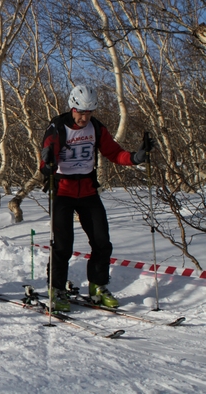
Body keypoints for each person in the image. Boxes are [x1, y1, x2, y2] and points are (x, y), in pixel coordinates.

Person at [40, 84, 154, 311]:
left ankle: (98, 287)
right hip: (63, 191)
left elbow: (113, 152)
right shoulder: (58, 127)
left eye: (89, 112)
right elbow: (46, 162)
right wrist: (47, 165)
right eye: (81, 112)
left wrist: (136, 158)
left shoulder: (96, 128)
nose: (85, 117)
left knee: (102, 242)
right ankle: (57, 289)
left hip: (89, 190)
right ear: (73, 108)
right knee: (63, 245)